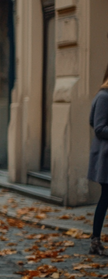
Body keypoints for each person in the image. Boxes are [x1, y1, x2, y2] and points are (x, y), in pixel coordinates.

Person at [88, 65, 108, 256]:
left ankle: (95, 240)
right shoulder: (104, 96)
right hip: (106, 157)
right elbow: (98, 127)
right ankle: (95, 240)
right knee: (105, 198)